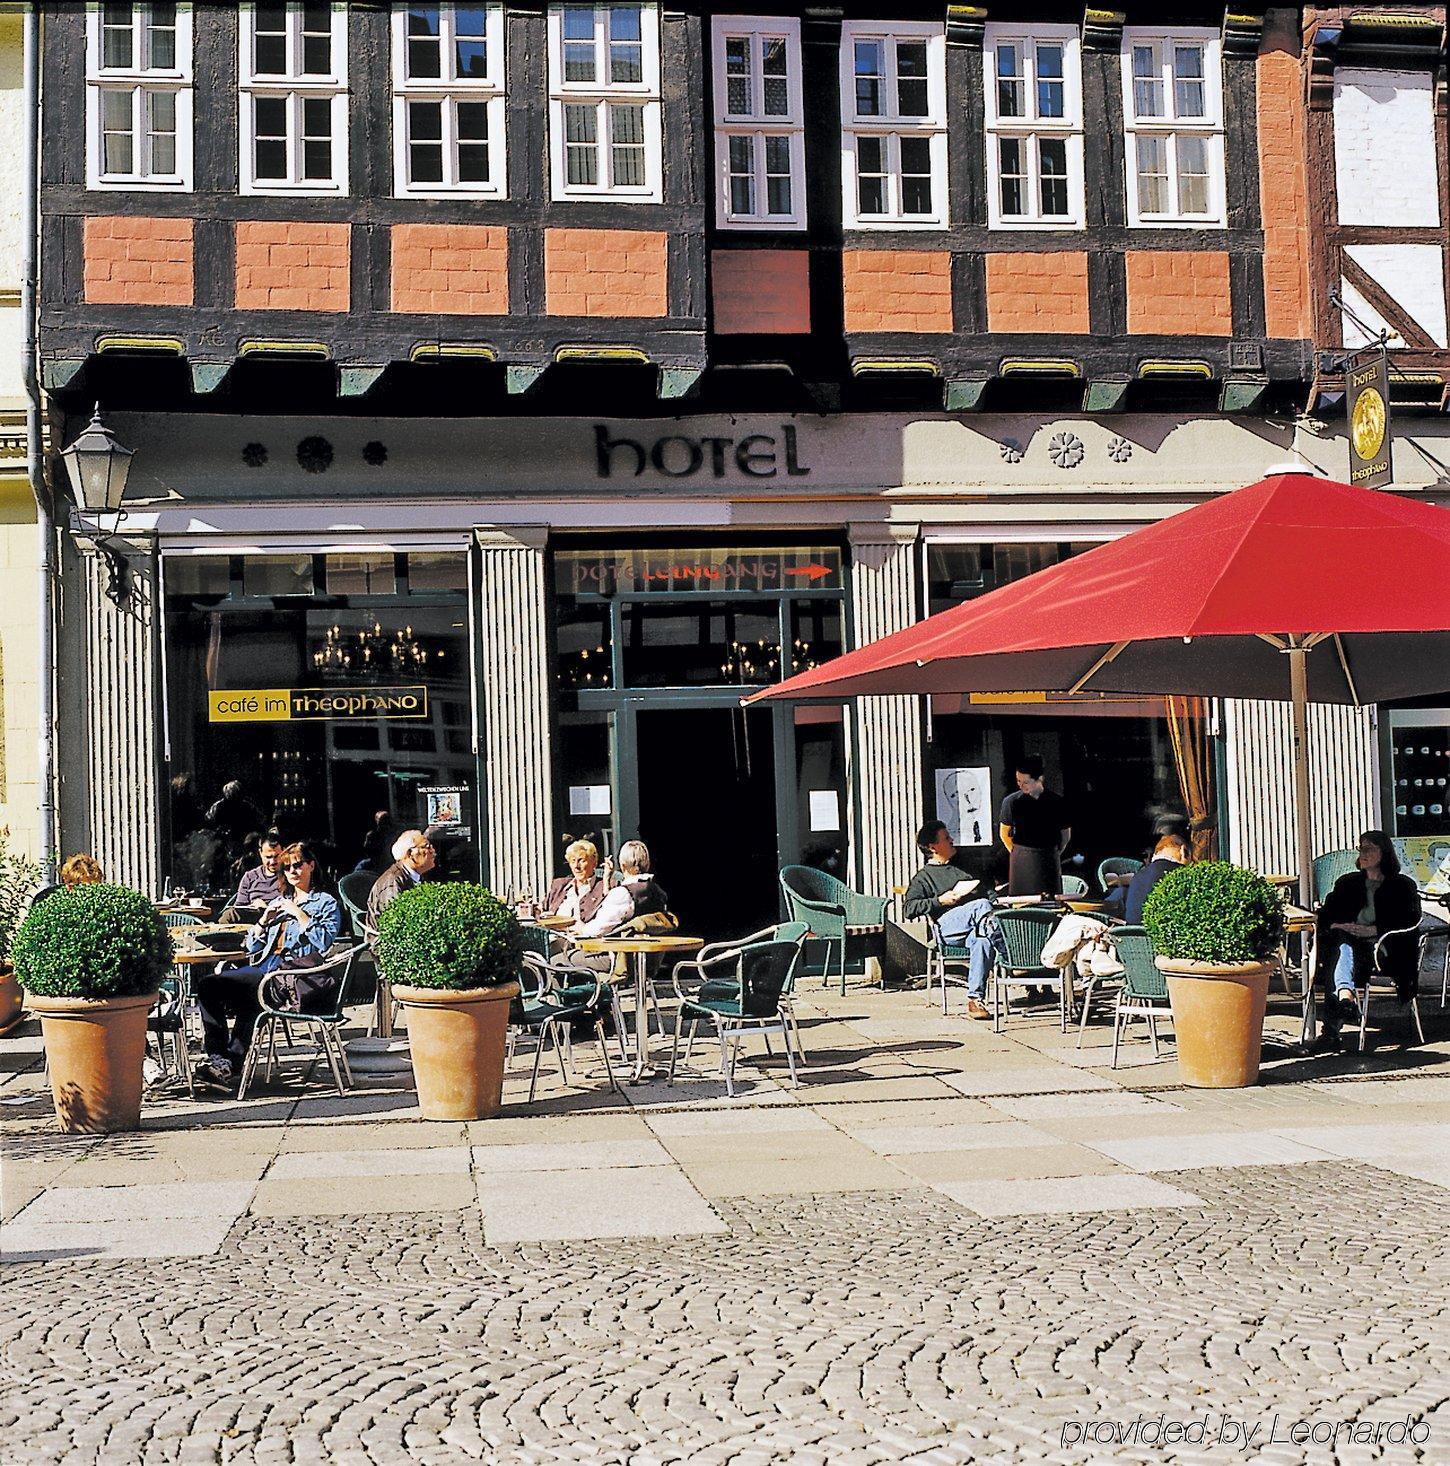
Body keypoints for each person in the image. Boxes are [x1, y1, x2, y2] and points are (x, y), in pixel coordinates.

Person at [193, 842, 341, 1088]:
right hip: (266, 969)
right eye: (287, 867)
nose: (293, 871)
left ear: (311, 865)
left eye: (298, 865)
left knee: (251, 997)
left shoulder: (325, 903)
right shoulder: (281, 900)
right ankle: (220, 1058)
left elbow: (324, 942)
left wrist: (299, 913)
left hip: (293, 975)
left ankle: (227, 1065)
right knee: (209, 985)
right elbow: (251, 948)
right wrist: (263, 922)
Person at [1313, 830, 1422, 1048]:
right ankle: (1345, 996)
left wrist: (1374, 931)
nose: (1363, 853)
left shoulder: (1401, 886)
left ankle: (1333, 1026)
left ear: (1385, 853)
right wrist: (1337, 925)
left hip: (1384, 949)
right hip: (1350, 945)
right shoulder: (1348, 883)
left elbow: (1409, 919)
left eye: (1369, 848)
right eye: (1361, 847)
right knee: (1342, 944)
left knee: (1340, 951)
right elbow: (1326, 914)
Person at [904, 821, 996, 1019]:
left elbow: (987, 892)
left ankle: (975, 1000)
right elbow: (909, 909)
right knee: (980, 906)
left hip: (975, 927)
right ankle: (1012, 957)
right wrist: (940, 900)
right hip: (946, 929)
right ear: (932, 847)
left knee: (983, 941)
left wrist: (997, 899)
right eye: (946, 838)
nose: (952, 840)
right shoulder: (924, 877)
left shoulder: (964, 867)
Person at [998, 756, 1071, 897]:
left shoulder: (1056, 802)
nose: (1020, 785)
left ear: (1039, 779)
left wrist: (1055, 853)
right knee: (1022, 901)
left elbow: (1065, 834)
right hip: (1021, 858)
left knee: (1050, 900)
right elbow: (1004, 833)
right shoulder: (1011, 802)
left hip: (1048, 856)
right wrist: (1015, 853)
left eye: (1025, 782)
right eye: (1018, 781)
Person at [576, 840, 669, 937]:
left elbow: (598, 930)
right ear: (647, 864)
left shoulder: (623, 893)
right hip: (652, 948)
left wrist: (581, 928)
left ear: (623, 866)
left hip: (620, 949)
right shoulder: (656, 889)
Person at [366, 829, 436, 943]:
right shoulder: (393, 882)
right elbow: (395, 924)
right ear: (410, 854)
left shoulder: (416, 876)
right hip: (391, 948)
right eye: (426, 847)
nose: (433, 851)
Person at [1123, 832, 1192, 925]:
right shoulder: (1182, 874)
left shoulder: (1137, 876)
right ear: (1183, 851)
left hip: (1132, 937)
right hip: (1164, 937)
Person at [221, 831, 286, 919]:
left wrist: (265, 908)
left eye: (276, 856)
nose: (272, 862)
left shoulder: (290, 875)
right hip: (251, 918)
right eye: (268, 857)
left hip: (277, 918)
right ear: (260, 853)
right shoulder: (250, 877)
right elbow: (239, 907)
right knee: (229, 914)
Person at [545, 839, 611, 925]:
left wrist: (606, 880)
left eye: (581, 860)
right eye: (573, 861)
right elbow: (540, 909)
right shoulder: (559, 885)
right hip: (553, 934)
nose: (576, 866)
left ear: (594, 862)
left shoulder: (603, 886)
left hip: (583, 936)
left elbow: (610, 910)